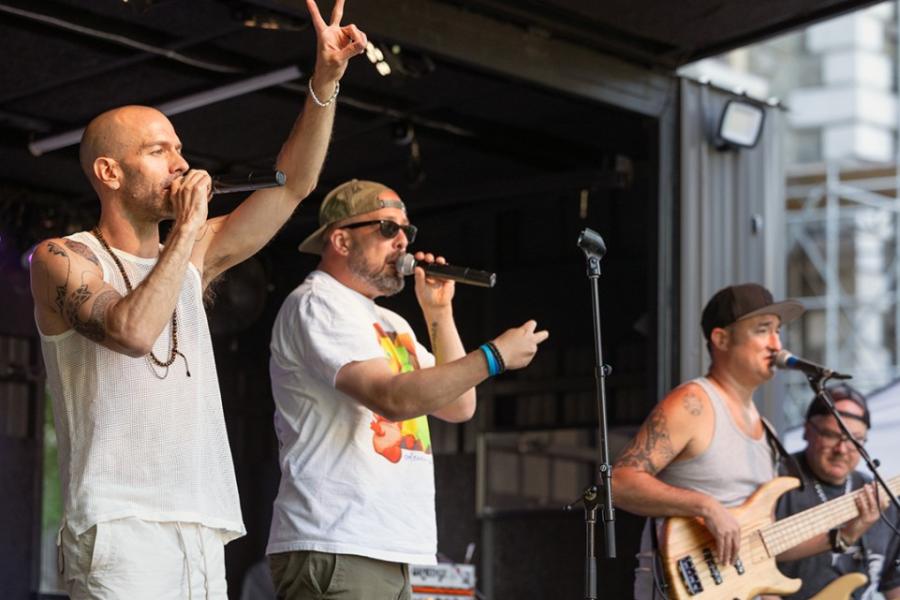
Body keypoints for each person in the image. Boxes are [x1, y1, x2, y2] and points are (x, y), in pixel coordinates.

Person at [27, 1, 367, 597]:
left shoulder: (195, 250)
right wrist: (186, 230)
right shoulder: (64, 258)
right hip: (120, 523)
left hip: (201, 522)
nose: (181, 163)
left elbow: (295, 187)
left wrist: (324, 83)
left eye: (179, 149)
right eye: (159, 150)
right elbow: (131, 332)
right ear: (109, 171)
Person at [266, 179, 549, 600]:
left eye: (407, 232)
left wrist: (439, 313)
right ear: (341, 240)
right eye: (387, 229)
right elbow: (392, 398)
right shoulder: (319, 303)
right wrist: (492, 356)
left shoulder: (391, 322)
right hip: (338, 541)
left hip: (387, 546)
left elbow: (458, 404)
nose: (403, 242)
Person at [774, 384, 900, 600]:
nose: (842, 449)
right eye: (832, 435)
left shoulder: (878, 495)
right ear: (807, 430)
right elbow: (752, 566)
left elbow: (894, 583)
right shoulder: (777, 482)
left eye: (855, 440)